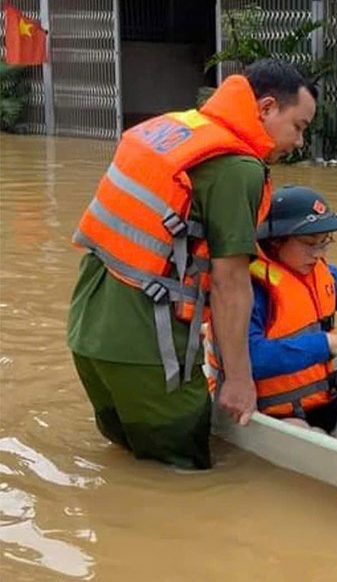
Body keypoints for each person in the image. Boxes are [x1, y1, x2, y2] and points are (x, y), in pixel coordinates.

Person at [67, 59, 317, 469]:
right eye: (300, 127)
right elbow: (230, 283)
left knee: (128, 467)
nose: (299, 143)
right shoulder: (238, 168)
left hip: (88, 333)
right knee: (185, 480)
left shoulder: (175, 127)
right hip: (148, 349)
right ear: (268, 108)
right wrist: (238, 381)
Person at [206, 185, 337, 432]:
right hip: (272, 410)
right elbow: (250, 359)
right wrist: (327, 344)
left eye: (324, 243)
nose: (318, 254)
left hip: (321, 399)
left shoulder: (324, 274)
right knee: (302, 429)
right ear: (275, 242)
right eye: (309, 243)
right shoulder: (249, 291)